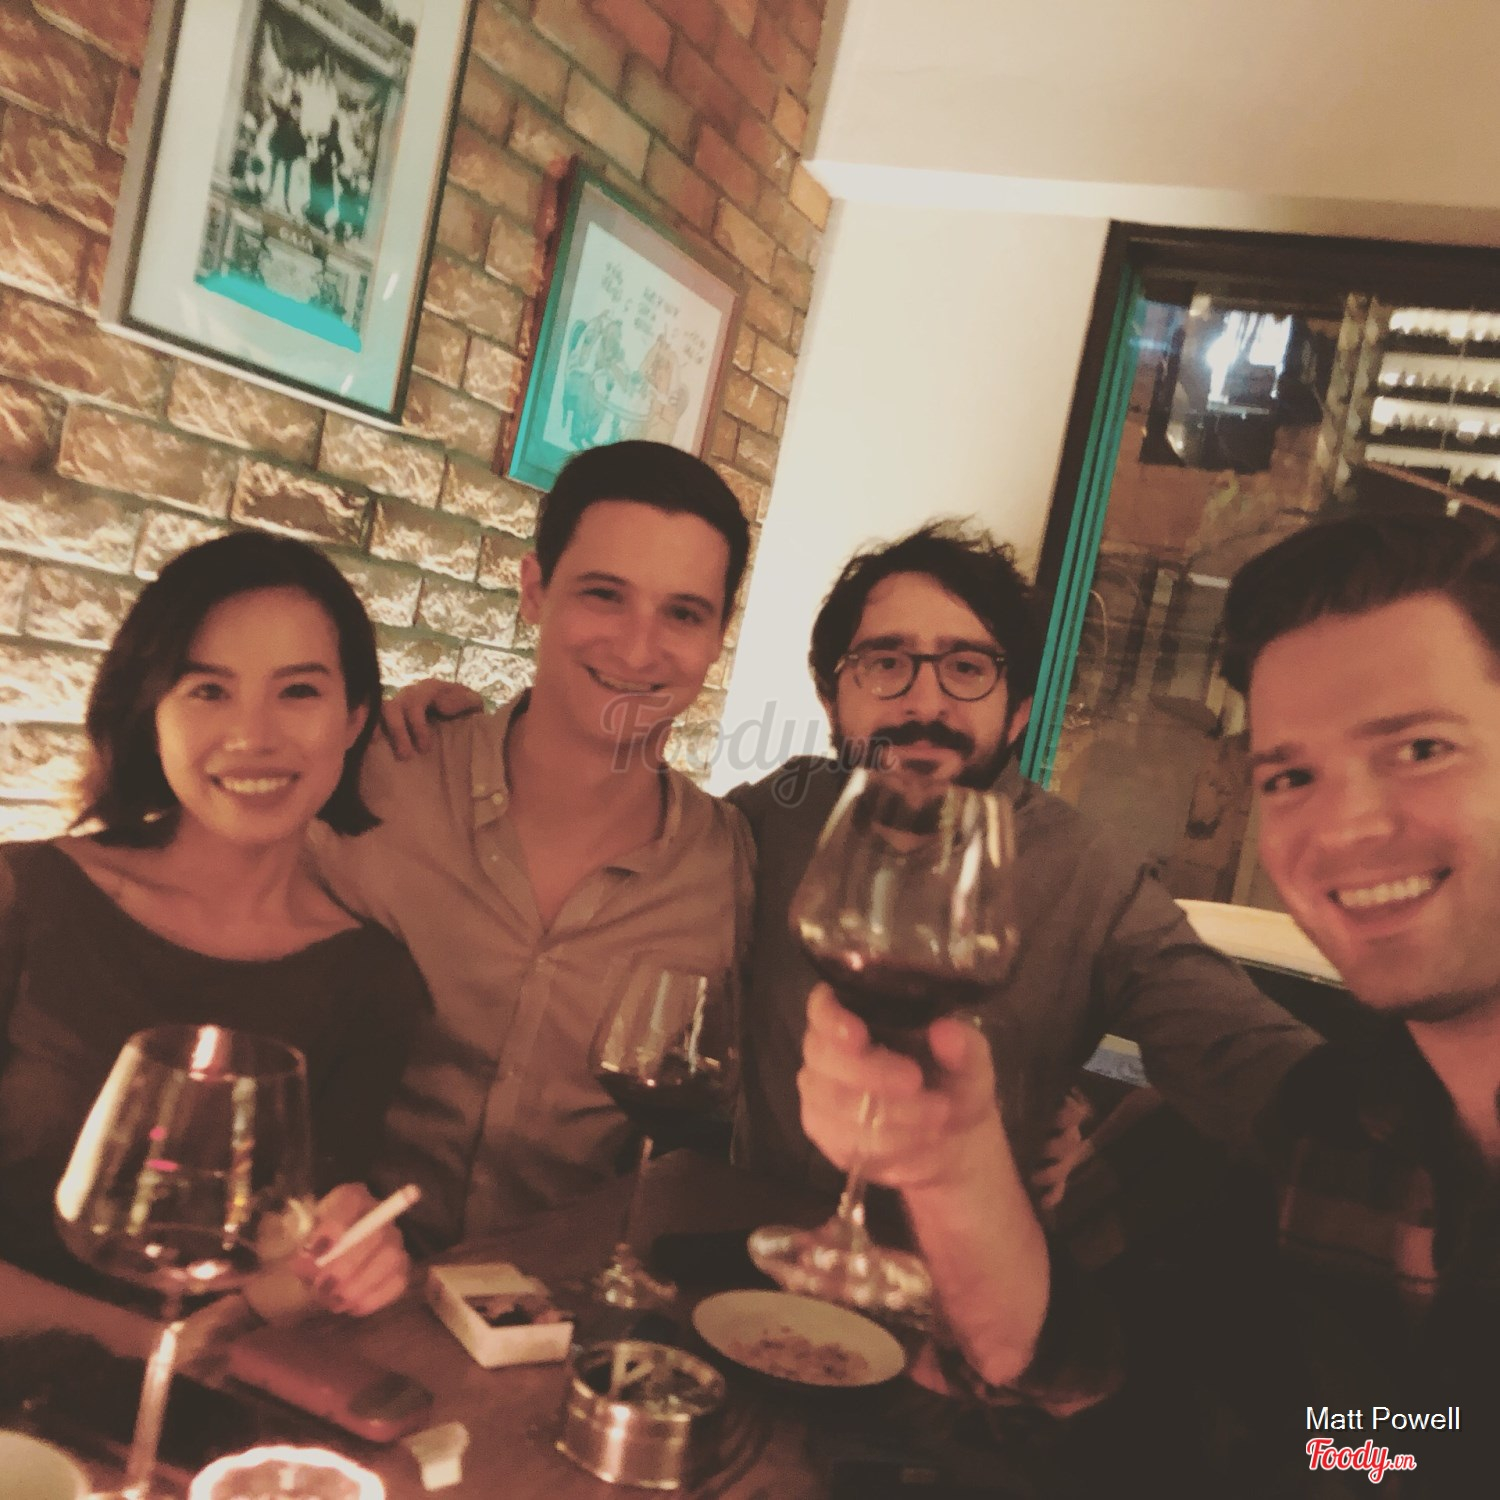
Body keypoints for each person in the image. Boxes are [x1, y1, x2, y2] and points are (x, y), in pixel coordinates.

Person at [799, 512, 1500, 1492]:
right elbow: (1266, 1439)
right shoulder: (1348, 1136)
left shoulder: (1088, 874)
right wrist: (956, 1168)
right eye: (1291, 775)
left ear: (1019, 707)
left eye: (1421, 748)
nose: (1344, 825)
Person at [729, 521, 1319, 1190]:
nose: (926, 703)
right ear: (831, 699)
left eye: (967, 668)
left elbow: (1243, 1060)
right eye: (886, 663)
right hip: (744, 1234)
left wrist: (1112, 1144)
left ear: (1018, 715)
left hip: (964, 1254)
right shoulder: (778, 813)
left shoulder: (1091, 875)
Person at [311, 440, 755, 1251]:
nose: (638, 648)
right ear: (534, 591)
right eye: (604, 595)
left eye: (683, 613)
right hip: (316, 1281)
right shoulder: (376, 779)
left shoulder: (729, 871)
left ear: (718, 634)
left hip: (549, 1303)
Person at [0, 532, 427, 1315]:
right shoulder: (22, 896)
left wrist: (344, 1261)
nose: (253, 736)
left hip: (201, 1384)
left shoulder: (370, 980)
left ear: (354, 718)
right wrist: (133, 1345)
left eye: (298, 691)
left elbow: (272, 1286)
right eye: (208, 690)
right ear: (151, 711)